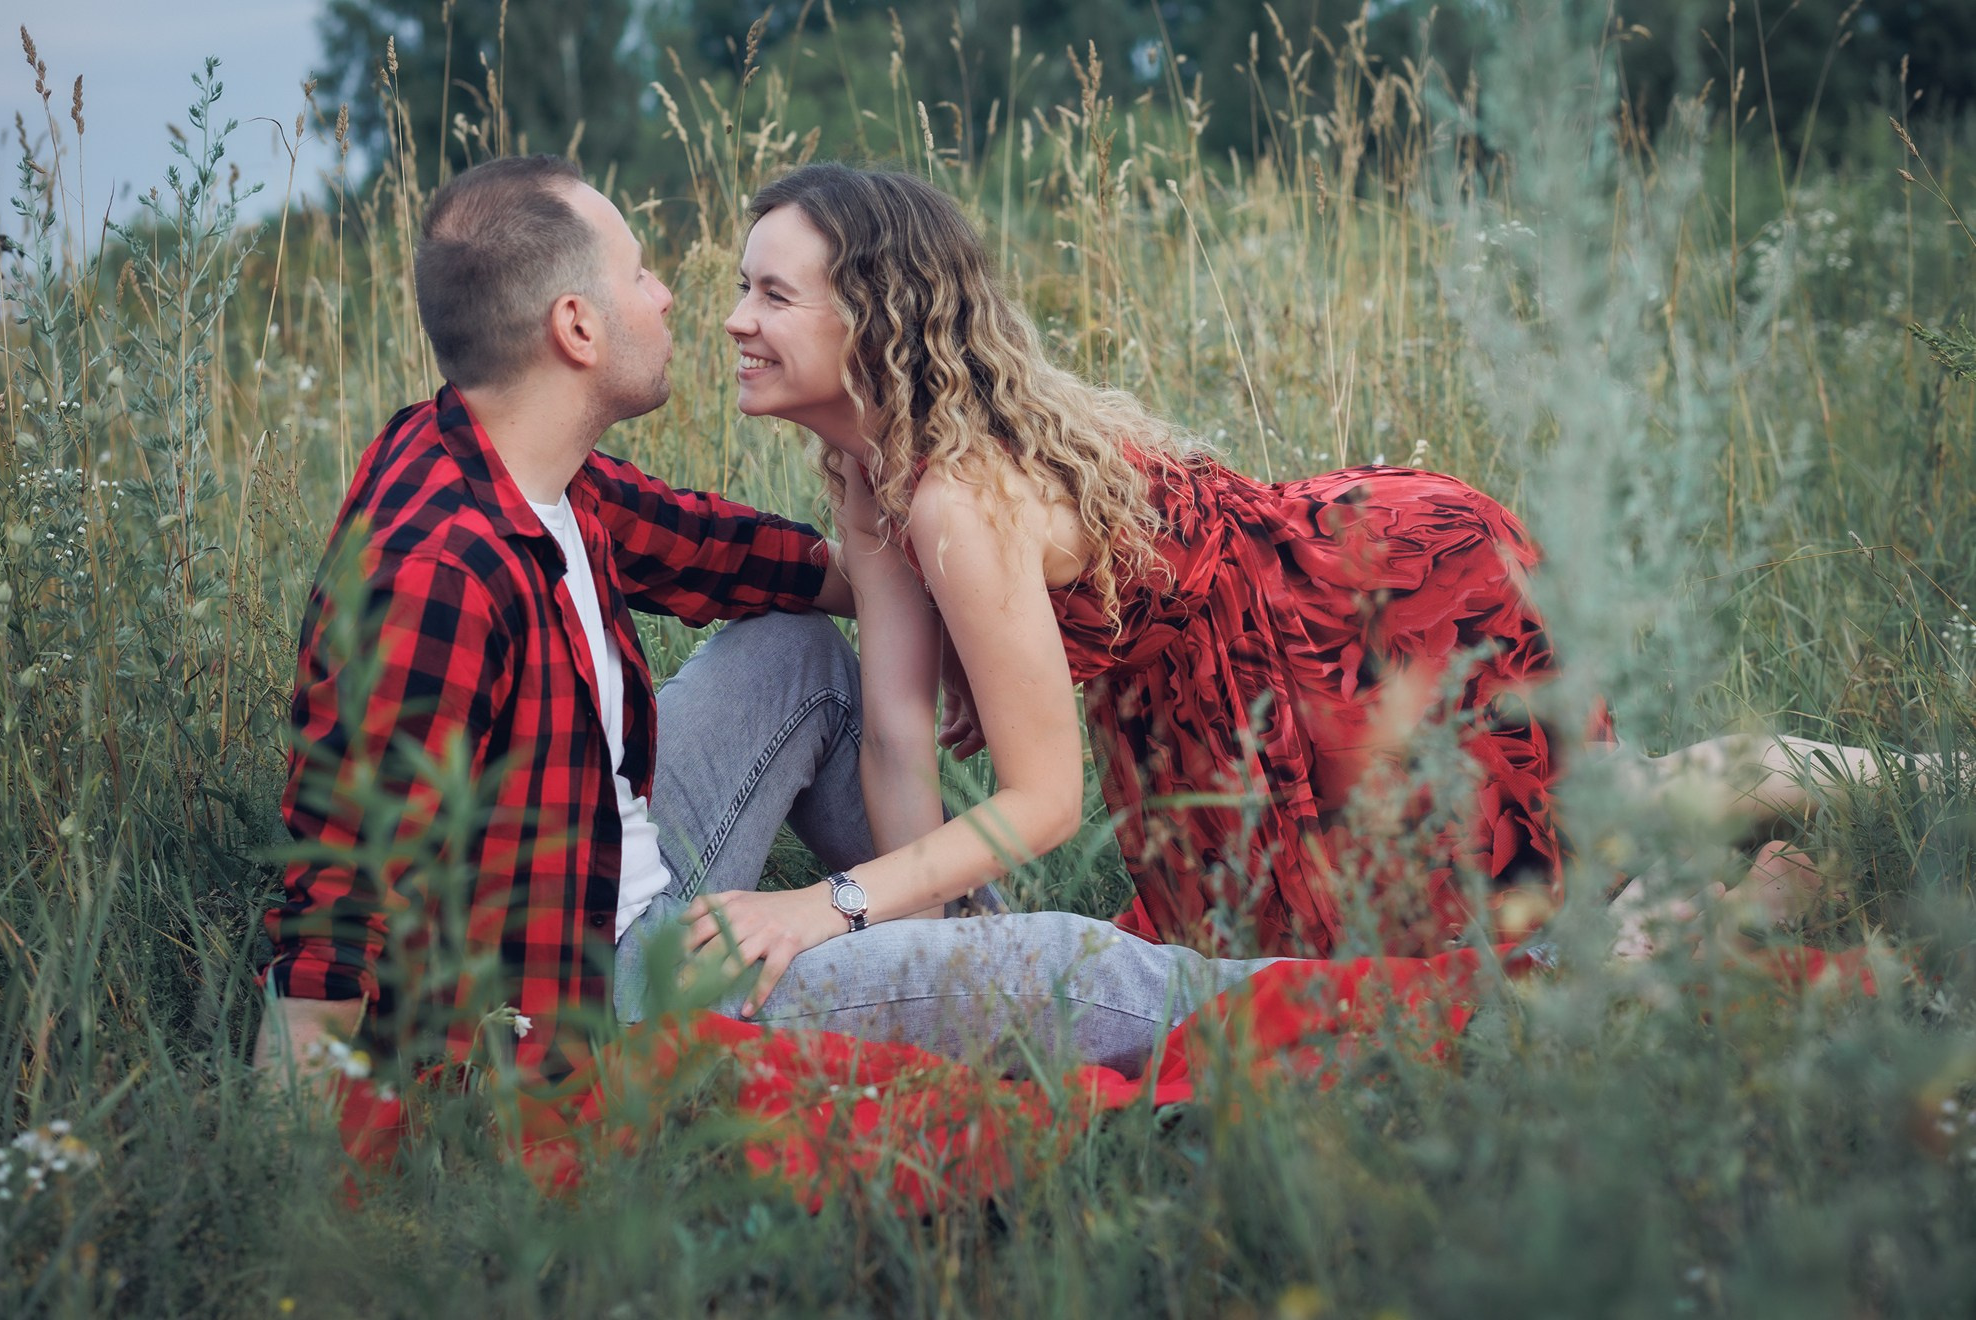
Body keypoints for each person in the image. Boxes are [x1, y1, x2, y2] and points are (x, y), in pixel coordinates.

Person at [691, 161, 1908, 1005]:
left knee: (1514, 921)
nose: (736, 318)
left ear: (876, 316)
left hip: (1362, 612)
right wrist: (945, 973)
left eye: (772, 293)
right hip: (1208, 705)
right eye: (745, 285)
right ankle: (1790, 835)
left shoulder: (958, 496)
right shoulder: (871, 469)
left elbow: (1044, 804)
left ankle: (1886, 795)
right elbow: (897, 740)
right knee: (1418, 941)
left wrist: (827, 911)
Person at [253, 155, 1289, 1097]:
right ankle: (1334, 1011)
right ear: (576, 328)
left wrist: (954, 567)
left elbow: (730, 553)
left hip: (610, 870)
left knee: (790, 651)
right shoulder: (438, 569)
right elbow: (335, 902)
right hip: (591, 992)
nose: (682, 304)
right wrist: (300, 1178)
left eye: (763, 292)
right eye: (644, 275)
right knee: (1061, 966)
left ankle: (940, 943)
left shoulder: (510, 466)